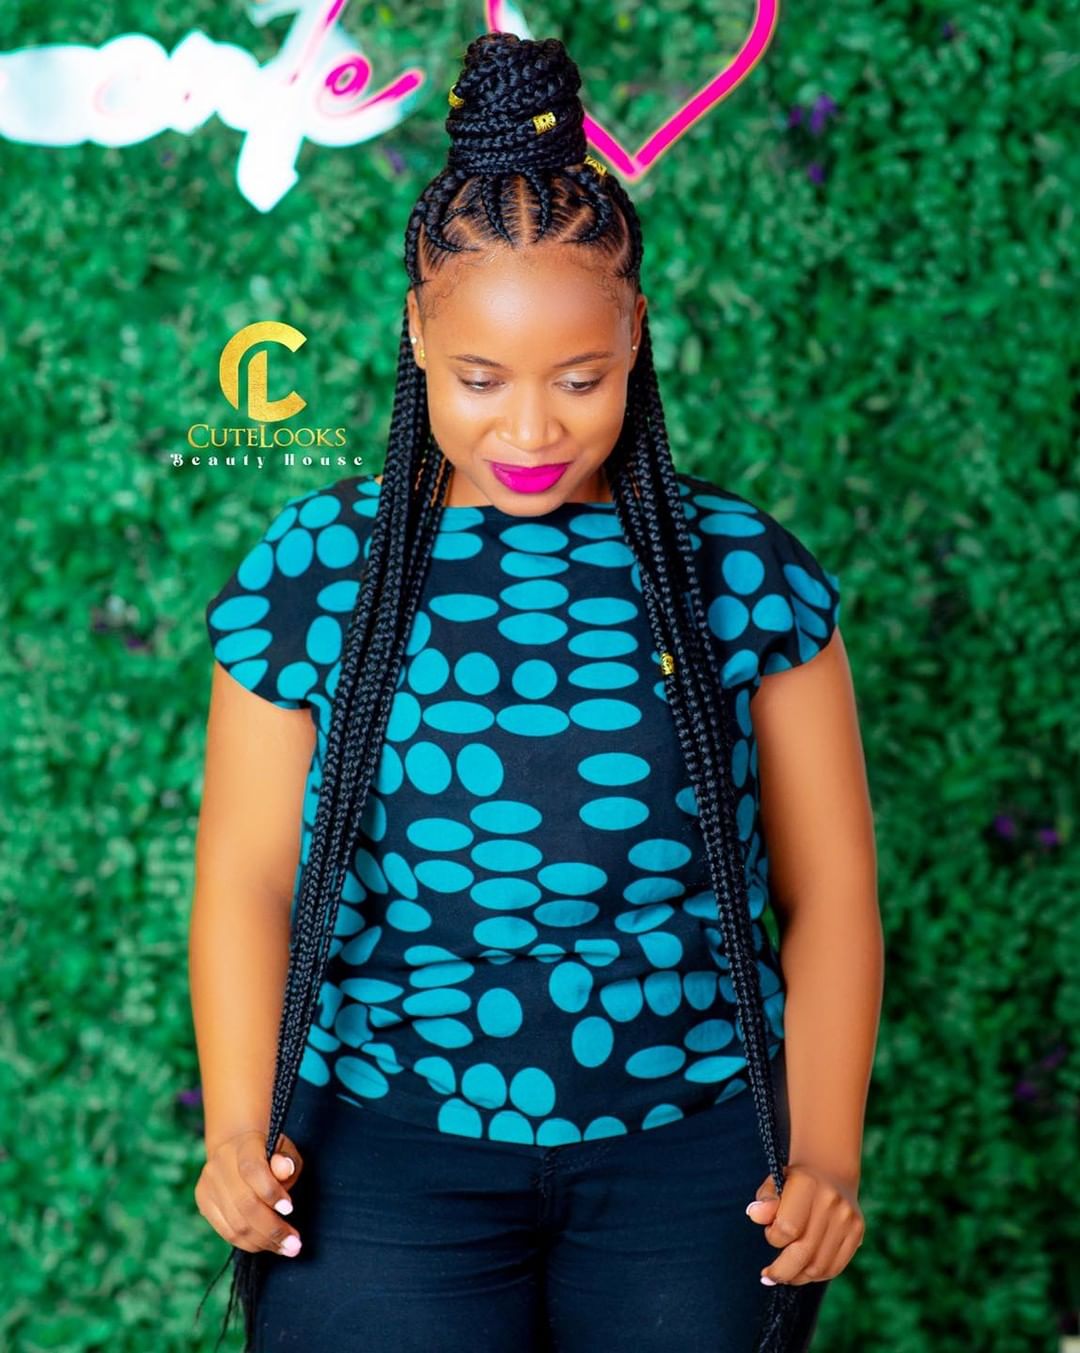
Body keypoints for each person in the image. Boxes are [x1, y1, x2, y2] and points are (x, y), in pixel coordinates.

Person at [190, 31, 881, 1353]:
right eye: (479, 379)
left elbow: (832, 888)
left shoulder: (741, 571)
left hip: (699, 1148)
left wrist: (827, 1152)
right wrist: (237, 1124)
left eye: (580, 379)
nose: (529, 431)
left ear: (635, 334)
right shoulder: (319, 567)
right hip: (378, 1141)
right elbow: (247, 875)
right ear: (416, 332)